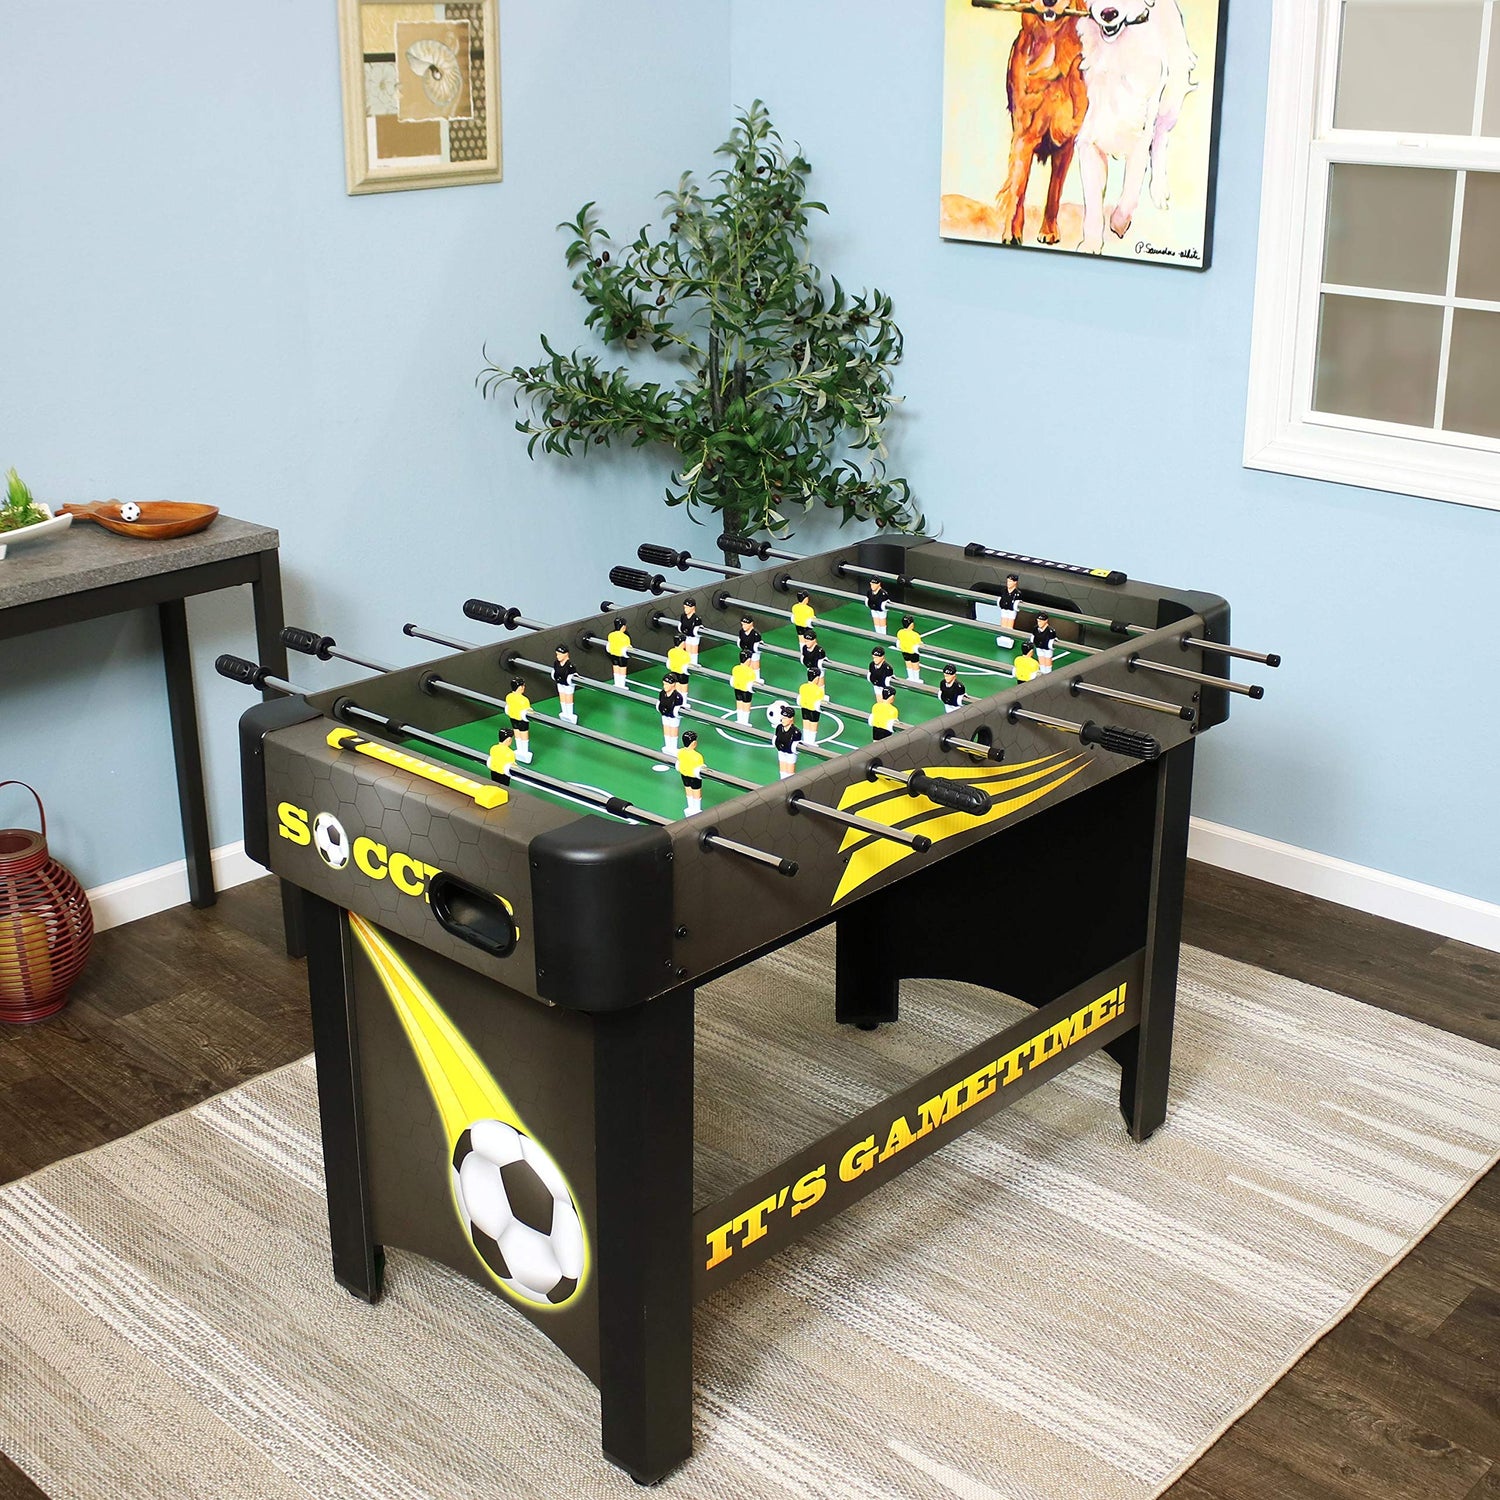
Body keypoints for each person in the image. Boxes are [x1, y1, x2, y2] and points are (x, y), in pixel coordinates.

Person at [504, 676, 533, 762]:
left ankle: (519, 750)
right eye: (523, 686)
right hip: (522, 719)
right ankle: (524, 751)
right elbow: (528, 710)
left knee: (517, 734)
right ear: (520, 687)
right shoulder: (524, 700)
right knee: (524, 735)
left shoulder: (509, 696)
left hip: (513, 718)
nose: (524, 687)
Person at [677, 730, 705, 817]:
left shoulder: (680, 752)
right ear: (693, 743)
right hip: (694, 776)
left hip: (684, 775)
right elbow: (701, 767)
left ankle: (690, 807)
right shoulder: (697, 756)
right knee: (696, 792)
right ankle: (696, 809)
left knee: (688, 790)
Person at [798, 667, 826, 747]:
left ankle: (806, 740)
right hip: (813, 709)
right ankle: (811, 742)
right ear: (816, 678)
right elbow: (821, 700)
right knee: (813, 725)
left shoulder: (803, 687)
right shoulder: (818, 690)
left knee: (806, 723)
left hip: (804, 707)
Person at [658, 673, 685, 753]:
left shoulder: (678, 697)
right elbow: (660, 703)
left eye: (667, 684)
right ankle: (667, 746)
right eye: (664, 684)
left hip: (673, 717)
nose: (664, 686)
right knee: (666, 729)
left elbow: (677, 708)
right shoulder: (662, 693)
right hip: (664, 715)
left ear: (673, 685)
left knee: (673, 730)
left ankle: (673, 747)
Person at [774, 704, 802, 779]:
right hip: (781, 751)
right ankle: (782, 781)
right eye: (782, 718)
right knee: (782, 768)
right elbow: (776, 738)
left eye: (785, 718)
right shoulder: (779, 728)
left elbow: (795, 746)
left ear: (791, 719)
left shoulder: (796, 732)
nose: (782, 720)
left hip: (790, 753)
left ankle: (789, 783)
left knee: (790, 771)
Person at [730, 650, 758, 726]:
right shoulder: (750, 672)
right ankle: (745, 721)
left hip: (737, 689)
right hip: (746, 690)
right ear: (748, 660)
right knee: (746, 705)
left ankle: (739, 719)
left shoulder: (735, 668)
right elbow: (753, 681)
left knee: (739, 703)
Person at [552, 646, 579, 722]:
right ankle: (564, 713)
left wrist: (572, 679)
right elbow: (555, 671)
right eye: (557, 654)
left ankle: (569, 714)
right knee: (562, 697)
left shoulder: (570, 666)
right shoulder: (556, 663)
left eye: (559, 654)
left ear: (566, 654)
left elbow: (574, 675)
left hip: (567, 685)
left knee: (568, 698)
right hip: (560, 683)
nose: (558, 656)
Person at [996, 573, 1022, 649]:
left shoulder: (1017, 593)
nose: (1008, 583)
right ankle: (1002, 636)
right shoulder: (1004, 590)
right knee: (1003, 623)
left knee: (1009, 624)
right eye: (1008, 581)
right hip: (1004, 609)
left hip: (1011, 611)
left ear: (1015, 582)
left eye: (1010, 581)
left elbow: (1017, 602)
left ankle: (1008, 638)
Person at [605, 616, 631, 689]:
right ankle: (622, 685)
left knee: (616, 668)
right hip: (622, 655)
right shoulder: (625, 637)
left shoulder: (611, 635)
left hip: (613, 654)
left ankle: (617, 683)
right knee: (622, 669)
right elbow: (628, 647)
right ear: (623, 627)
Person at [895, 615, 923, 681]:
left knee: (908, 664)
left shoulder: (900, 632)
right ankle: (916, 679)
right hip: (913, 652)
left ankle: (910, 677)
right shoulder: (915, 635)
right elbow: (919, 643)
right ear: (911, 624)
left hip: (904, 651)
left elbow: (899, 639)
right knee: (915, 665)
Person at [666, 633, 692, 701]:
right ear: (682, 643)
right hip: (682, 673)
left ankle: (676, 700)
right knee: (684, 689)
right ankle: (683, 702)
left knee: (677, 688)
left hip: (674, 672)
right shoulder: (685, 654)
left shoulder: (671, 651)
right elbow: (689, 663)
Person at [679, 597, 701, 666]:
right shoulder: (683, 616)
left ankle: (694, 663)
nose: (685, 609)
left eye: (687, 608)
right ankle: (688, 662)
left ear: (692, 608)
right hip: (688, 636)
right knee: (688, 649)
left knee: (694, 649)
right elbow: (682, 625)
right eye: (685, 607)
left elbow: (697, 629)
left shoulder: (696, 619)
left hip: (694, 637)